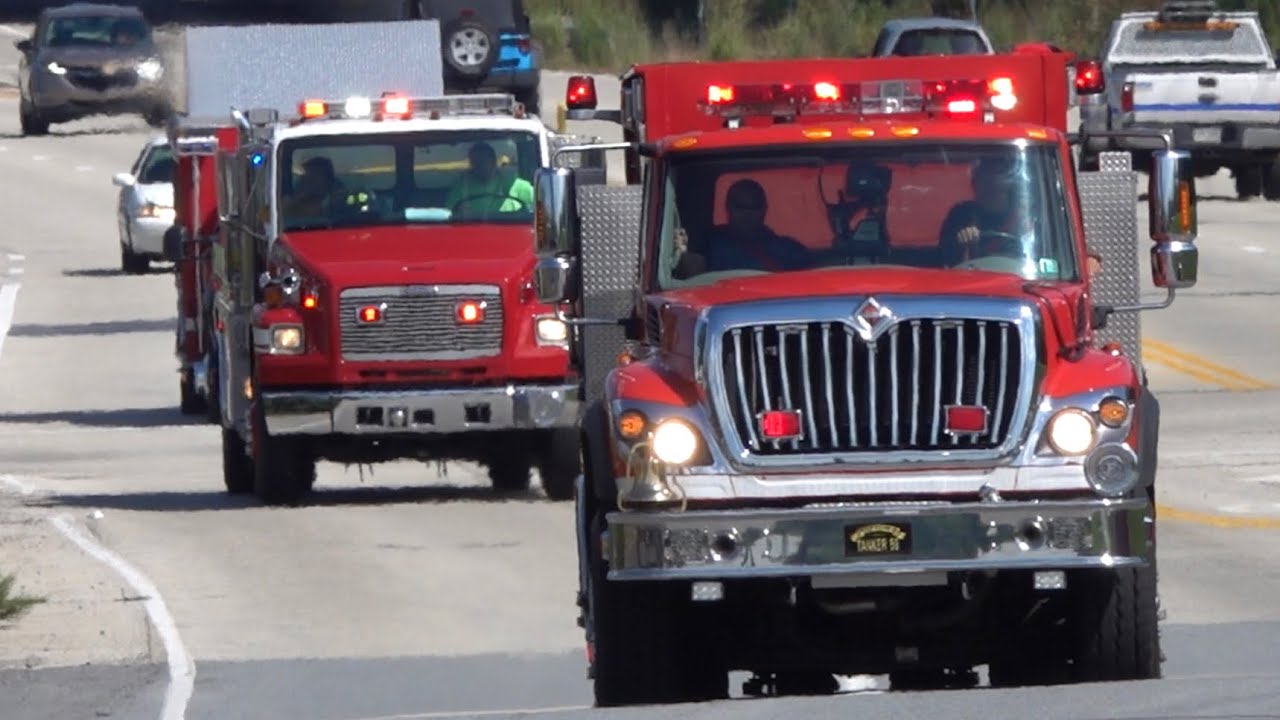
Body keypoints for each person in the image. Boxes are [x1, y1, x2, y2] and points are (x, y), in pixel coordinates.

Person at [674, 178, 813, 277]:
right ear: (728, 208)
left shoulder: (788, 249)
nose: (747, 213)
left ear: (764, 209)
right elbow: (692, 276)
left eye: (754, 207)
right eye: (740, 207)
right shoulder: (709, 243)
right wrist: (682, 254)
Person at [938, 156, 1030, 265]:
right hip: (971, 278)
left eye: (999, 190)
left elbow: (1033, 259)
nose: (992, 192)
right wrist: (963, 242)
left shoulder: (1023, 219)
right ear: (975, 185)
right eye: (986, 184)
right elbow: (945, 258)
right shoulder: (960, 215)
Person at [445, 143, 533, 215]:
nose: (482, 166)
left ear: (494, 161)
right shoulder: (462, 187)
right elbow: (448, 214)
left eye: (485, 160)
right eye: (477, 162)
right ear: (472, 165)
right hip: (472, 232)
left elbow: (542, 204)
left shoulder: (515, 185)